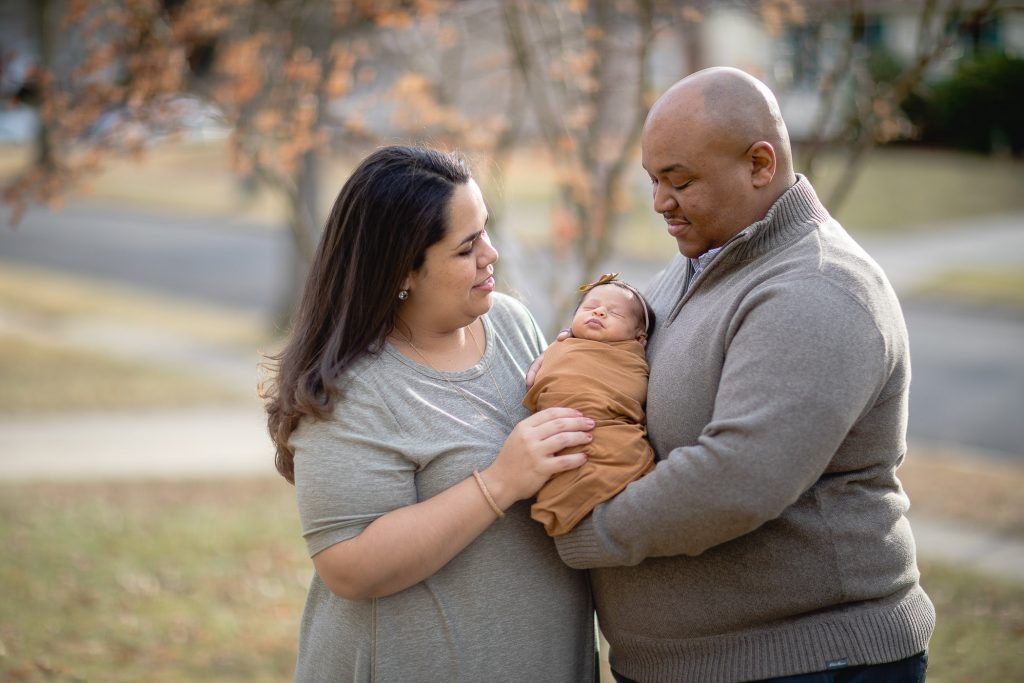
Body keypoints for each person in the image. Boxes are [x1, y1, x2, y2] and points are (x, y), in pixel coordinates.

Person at [535, 67, 935, 682]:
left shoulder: (817, 287)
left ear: (759, 164)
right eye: (653, 180)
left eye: (680, 180)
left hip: (806, 662)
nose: (660, 202)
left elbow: (739, 477)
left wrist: (588, 532)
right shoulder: (698, 265)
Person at [263, 145, 596, 682]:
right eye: (466, 248)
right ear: (404, 271)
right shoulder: (349, 389)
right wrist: (499, 483)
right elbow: (347, 564)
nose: (491, 254)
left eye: (485, 230)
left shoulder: (512, 324)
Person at [525, 273, 656, 536]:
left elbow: (629, 389)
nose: (599, 312)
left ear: (639, 338)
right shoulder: (563, 346)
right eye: (589, 307)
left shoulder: (628, 355)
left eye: (614, 313)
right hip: (558, 430)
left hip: (607, 430)